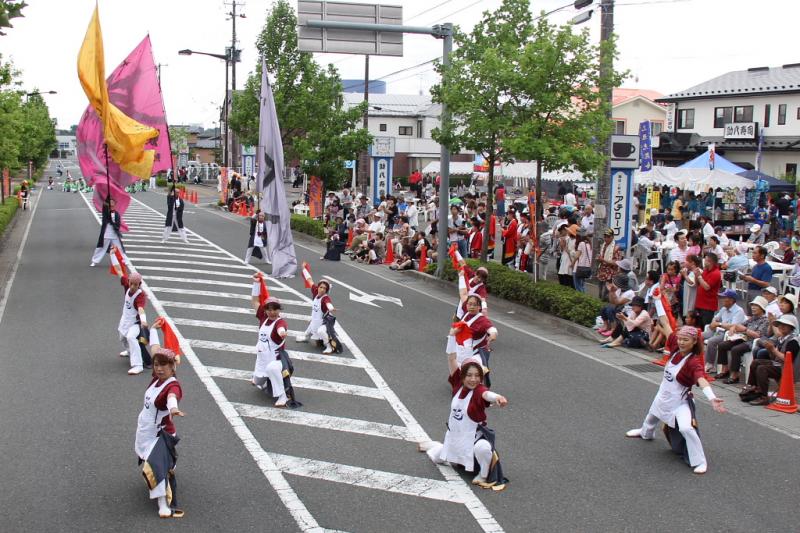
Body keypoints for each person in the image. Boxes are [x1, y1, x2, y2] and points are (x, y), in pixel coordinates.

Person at [625, 326, 726, 475]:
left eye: (686, 340)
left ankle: (700, 461)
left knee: (686, 428)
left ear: (694, 342)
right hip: (663, 394)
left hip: (680, 401)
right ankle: (646, 433)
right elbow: (665, 324)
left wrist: (712, 398)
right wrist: (659, 302)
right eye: (680, 339)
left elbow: (701, 379)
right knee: (652, 415)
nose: (681, 342)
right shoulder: (675, 346)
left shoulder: (693, 362)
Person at [420, 357, 508, 489]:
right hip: (455, 438)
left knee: (483, 447)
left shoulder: (479, 390)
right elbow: (451, 358)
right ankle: (436, 446)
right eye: (469, 375)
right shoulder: (457, 387)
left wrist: (498, 398)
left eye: (477, 375)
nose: (473, 379)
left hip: (473, 440)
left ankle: (483, 475)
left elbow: (487, 394)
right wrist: (452, 337)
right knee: (437, 458)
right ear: (462, 376)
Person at [134, 320, 185, 518]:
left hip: (160, 434)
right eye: (156, 365)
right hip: (146, 429)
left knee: (156, 465)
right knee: (157, 463)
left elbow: (173, 398)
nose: (159, 368)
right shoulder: (157, 379)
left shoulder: (173, 386)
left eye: (164, 365)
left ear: (173, 367)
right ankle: (170, 463)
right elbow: (155, 348)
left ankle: (164, 504)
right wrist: (154, 330)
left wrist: (173, 409)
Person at [250, 278, 301, 407]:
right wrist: (256, 283)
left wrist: (282, 332)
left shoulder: (280, 322)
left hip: (277, 360)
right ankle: (267, 382)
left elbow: (281, 328)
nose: (272, 312)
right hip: (261, 359)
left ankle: (282, 396)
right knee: (257, 382)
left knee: (271, 369)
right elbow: (255, 301)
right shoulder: (263, 318)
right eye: (269, 309)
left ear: (279, 310)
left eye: (275, 309)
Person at [740, 314, 800, 405]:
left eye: (785, 325)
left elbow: (787, 359)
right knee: (756, 362)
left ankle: (764, 396)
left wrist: (772, 350)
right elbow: (774, 358)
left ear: (791, 327)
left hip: (787, 369)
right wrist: (770, 350)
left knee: (762, 369)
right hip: (779, 364)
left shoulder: (793, 341)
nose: (781, 326)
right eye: (780, 324)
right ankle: (753, 387)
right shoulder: (781, 339)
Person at [714, 296, 770, 384]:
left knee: (735, 350)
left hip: (752, 342)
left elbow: (758, 335)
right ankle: (724, 370)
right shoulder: (752, 318)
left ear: (762, 308)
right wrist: (733, 328)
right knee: (722, 345)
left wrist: (745, 330)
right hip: (743, 338)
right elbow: (739, 325)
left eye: (756, 306)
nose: (753, 308)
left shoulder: (765, 321)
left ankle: (735, 375)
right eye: (752, 305)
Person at [703, 289, 746, 374]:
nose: (721, 299)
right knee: (698, 335)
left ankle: (710, 365)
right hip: (718, 330)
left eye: (724, 297)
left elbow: (734, 326)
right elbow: (716, 318)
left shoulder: (739, 311)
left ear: (731, 300)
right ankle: (697, 360)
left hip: (729, 334)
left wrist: (718, 324)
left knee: (712, 341)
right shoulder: (723, 309)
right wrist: (713, 322)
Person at [114, 269, 149, 375]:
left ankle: (138, 365)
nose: (133, 286)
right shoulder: (126, 284)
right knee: (122, 337)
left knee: (131, 337)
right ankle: (130, 351)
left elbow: (141, 309)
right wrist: (112, 255)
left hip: (135, 323)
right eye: (131, 283)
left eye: (135, 284)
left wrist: (143, 320)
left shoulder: (140, 295)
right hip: (125, 319)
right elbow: (119, 270)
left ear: (139, 284)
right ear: (128, 281)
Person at [296, 275, 337, 355]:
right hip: (315, 319)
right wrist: (304, 269)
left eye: (324, 288)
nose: (322, 289)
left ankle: (329, 346)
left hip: (325, 321)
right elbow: (310, 280)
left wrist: (331, 308)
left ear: (327, 290)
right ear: (318, 287)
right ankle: (305, 337)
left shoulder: (325, 298)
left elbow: (328, 303)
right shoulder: (315, 292)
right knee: (311, 327)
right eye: (321, 287)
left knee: (321, 331)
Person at [90, 198, 124, 267]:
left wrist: (115, 225)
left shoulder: (116, 213)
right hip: (106, 233)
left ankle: (123, 261)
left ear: (115, 204)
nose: (111, 203)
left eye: (113, 202)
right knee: (101, 248)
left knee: (119, 248)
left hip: (114, 234)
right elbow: (105, 217)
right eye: (110, 202)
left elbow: (118, 223)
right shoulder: (105, 212)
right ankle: (94, 261)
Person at [571, 228, 592, 293]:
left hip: (578, 268)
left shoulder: (581, 244)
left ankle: (581, 300)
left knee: (578, 287)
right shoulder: (589, 243)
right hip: (586, 268)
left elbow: (576, 256)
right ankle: (584, 300)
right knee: (582, 285)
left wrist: (572, 264)